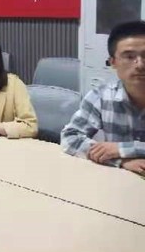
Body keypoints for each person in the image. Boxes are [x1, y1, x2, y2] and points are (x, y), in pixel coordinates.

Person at [61, 20, 145, 174]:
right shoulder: (101, 96)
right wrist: (121, 161)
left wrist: (122, 149)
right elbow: (70, 138)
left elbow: (118, 149)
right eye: (129, 56)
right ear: (113, 62)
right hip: (121, 179)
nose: (140, 65)